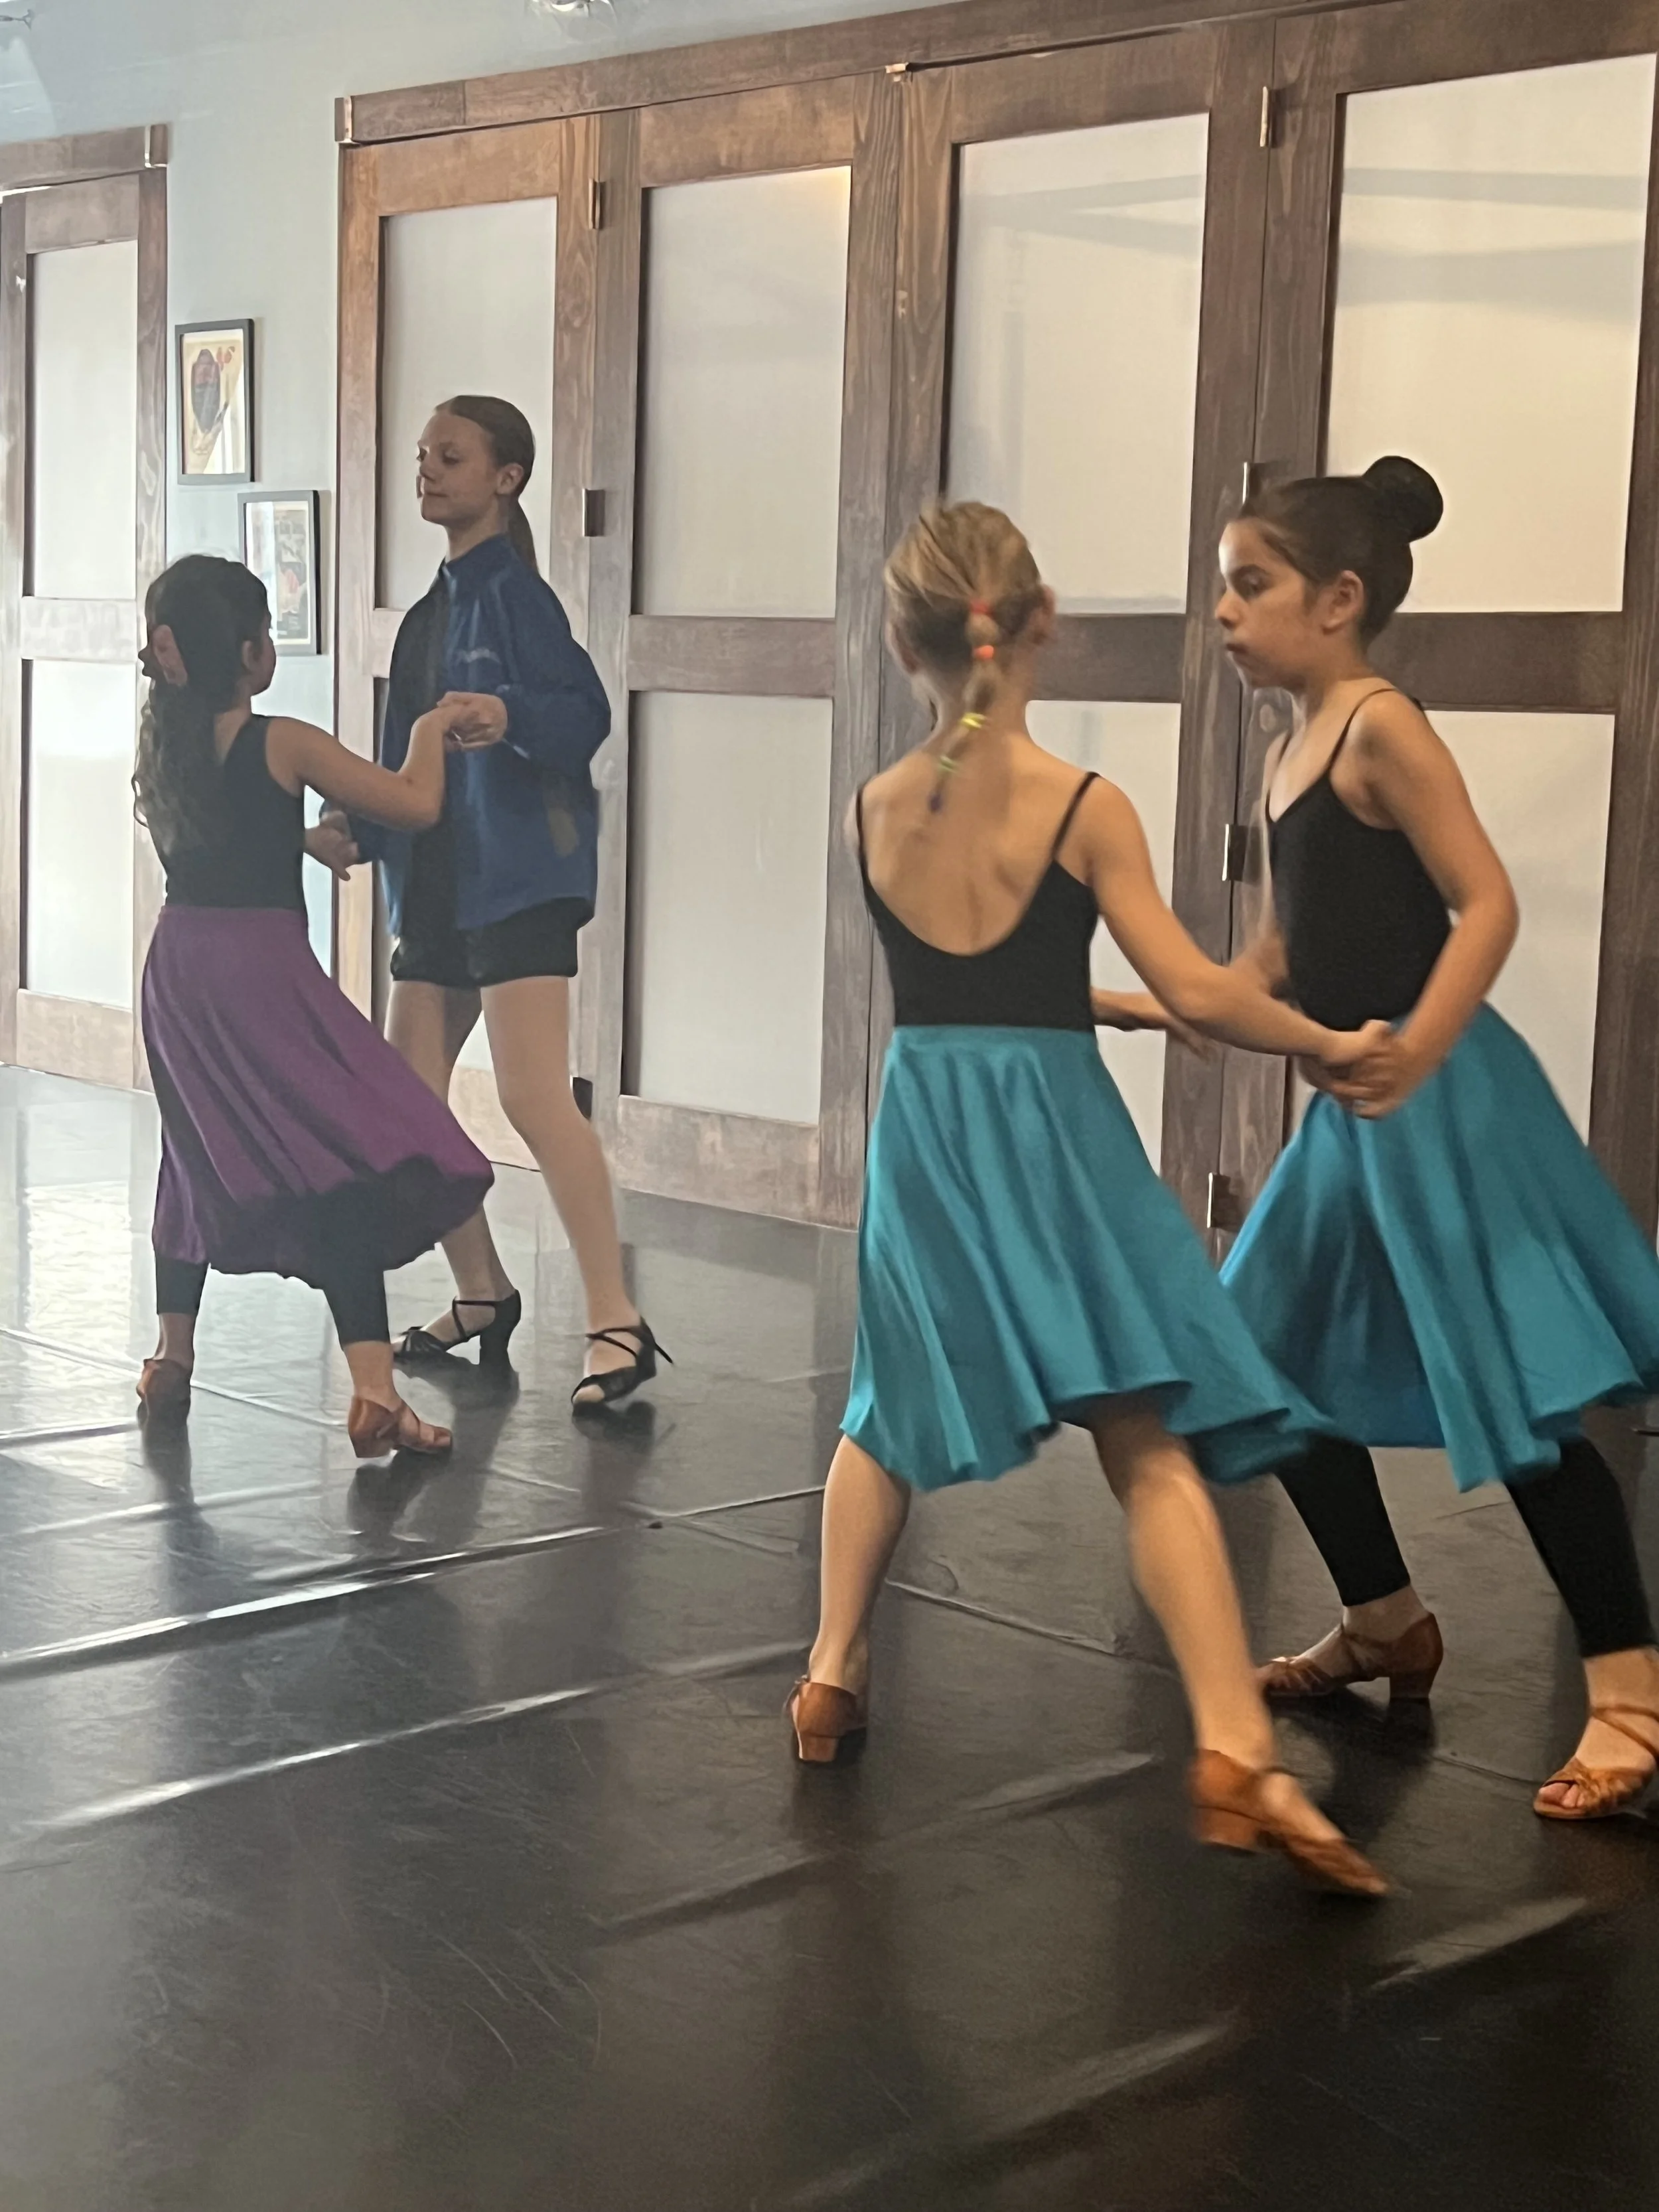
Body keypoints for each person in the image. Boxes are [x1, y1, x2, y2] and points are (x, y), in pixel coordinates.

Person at [790, 501, 1392, 1897]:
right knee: (1141, 1423)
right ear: (1038, 622)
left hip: (930, 1125)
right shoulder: (1081, 803)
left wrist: (1095, 1004)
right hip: (1050, 1133)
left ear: (903, 642)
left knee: (885, 1405)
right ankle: (1233, 1740)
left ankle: (828, 1674)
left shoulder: (875, 805)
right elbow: (1198, 987)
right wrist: (1324, 1043)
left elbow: (965, 988)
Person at [1209, 455, 1659, 1822]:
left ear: (1338, 599)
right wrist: (1127, 996)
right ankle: (1384, 1622)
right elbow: (1276, 957)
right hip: (1356, 1108)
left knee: (1511, 1394)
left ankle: (1631, 1699)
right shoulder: (1288, 742)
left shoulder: (1377, 726)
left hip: (1441, 1099)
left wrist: (1417, 1042)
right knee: (1255, 1361)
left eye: (1248, 585)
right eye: (1219, 586)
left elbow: (1483, 903)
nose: (1220, 612)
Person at [341, 395, 663, 1410]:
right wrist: (366, 827)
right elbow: (408, 759)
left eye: (452, 456)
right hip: (437, 882)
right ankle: (482, 1289)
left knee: (530, 1094)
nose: (429, 470)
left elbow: (582, 716)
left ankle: (617, 1317)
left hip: (519, 879)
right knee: (404, 1109)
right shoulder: (432, 609)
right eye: (424, 455)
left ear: (506, 478)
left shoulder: (519, 597)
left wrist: (509, 711)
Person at [133, 555, 494, 1458]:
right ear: (256, 653)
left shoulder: (165, 741)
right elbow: (413, 804)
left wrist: (294, 838)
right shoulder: (281, 741)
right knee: (345, 1154)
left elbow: (214, 839)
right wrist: (429, 725)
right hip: (262, 972)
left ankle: (171, 1355)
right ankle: (374, 1390)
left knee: (191, 1152)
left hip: (180, 970)